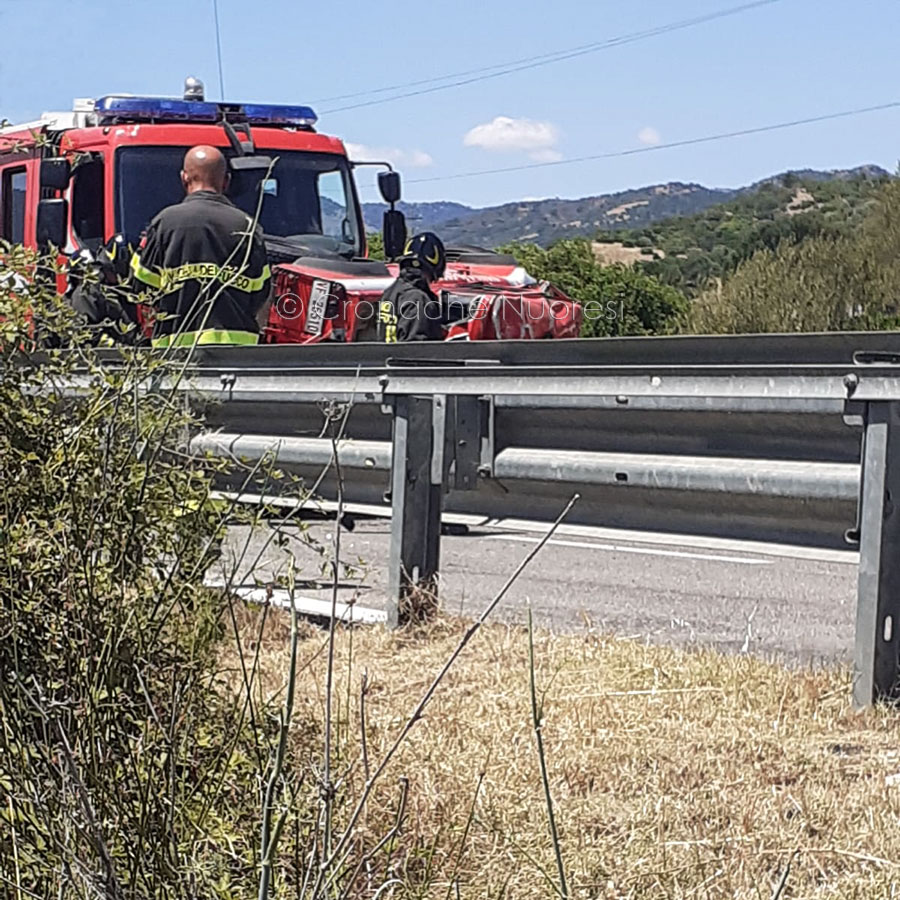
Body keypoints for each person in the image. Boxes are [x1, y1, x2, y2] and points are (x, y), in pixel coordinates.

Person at [130, 145, 271, 348]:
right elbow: (260, 292)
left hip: (174, 350)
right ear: (226, 181)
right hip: (237, 350)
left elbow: (141, 284)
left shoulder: (164, 222)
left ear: (184, 178)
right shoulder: (248, 226)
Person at [377, 232, 446, 342]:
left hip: (387, 357)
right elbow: (416, 346)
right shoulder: (418, 299)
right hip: (406, 358)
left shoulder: (390, 292)